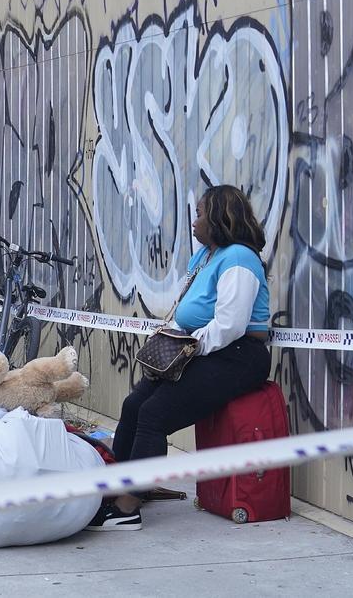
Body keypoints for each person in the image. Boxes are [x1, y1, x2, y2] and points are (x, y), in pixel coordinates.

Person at [87, 185, 271, 531]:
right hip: (199, 349)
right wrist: (171, 340)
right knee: (134, 405)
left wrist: (189, 347)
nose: (194, 221)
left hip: (237, 355)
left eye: (199, 214)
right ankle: (116, 488)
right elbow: (186, 312)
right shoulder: (203, 258)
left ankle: (128, 507)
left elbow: (231, 326)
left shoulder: (239, 258)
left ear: (218, 218)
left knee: (155, 414)